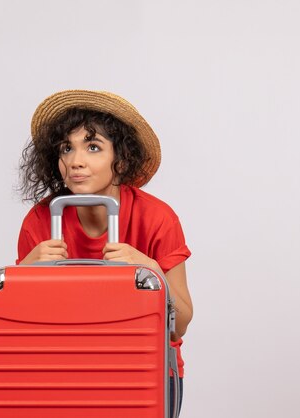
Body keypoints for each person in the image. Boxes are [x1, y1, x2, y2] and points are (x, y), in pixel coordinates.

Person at [16, 90, 193, 412]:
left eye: (93, 147)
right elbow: (23, 328)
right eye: (66, 148)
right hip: (63, 373)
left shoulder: (157, 218)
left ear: (121, 160)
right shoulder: (41, 219)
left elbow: (180, 323)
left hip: (145, 371)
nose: (75, 161)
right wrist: (22, 275)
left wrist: (151, 269)